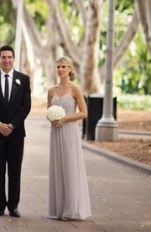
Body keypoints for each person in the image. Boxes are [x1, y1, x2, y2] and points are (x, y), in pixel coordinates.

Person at [0, 45, 31, 218]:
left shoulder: (23, 79)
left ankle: (14, 206)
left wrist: (12, 125)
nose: (7, 60)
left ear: (14, 59)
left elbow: (26, 106)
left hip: (16, 133)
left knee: (15, 170)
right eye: (3, 57)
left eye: (10, 57)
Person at [47, 56, 91, 220]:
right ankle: (59, 208)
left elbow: (84, 112)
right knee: (58, 166)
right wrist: (52, 119)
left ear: (71, 69)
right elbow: (48, 110)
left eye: (64, 67)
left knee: (70, 165)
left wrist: (65, 119)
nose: (60, 70)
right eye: (58, 67)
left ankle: (72, 209)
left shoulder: (75, 90)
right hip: (55, 132)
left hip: (70, 131)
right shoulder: (51, 90)